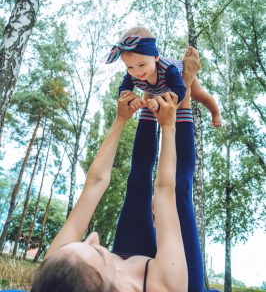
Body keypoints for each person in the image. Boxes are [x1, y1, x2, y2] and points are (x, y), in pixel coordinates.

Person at [29, 48, 217, 292]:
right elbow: (164, 191)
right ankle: (186, 88)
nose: (93, 236)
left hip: (131, 256)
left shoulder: (59, 272)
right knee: (181, 189)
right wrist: (169, 125)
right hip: (172, 275)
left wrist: (120, 120)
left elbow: (95, 183)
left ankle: (150, 88)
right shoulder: (166, 286)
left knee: (137, 183)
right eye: (95, 250)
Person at [106, 26, 222, 127]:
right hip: (158, 87)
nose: (137, 72)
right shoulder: (132, 75)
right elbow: (124, 88)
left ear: (156, 57)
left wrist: (159, 104)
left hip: (179, 76)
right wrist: (129, 99)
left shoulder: (168, 70)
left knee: (198, 95)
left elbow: (180, 91)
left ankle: (216, 112)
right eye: (129, 67)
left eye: (142, 65)